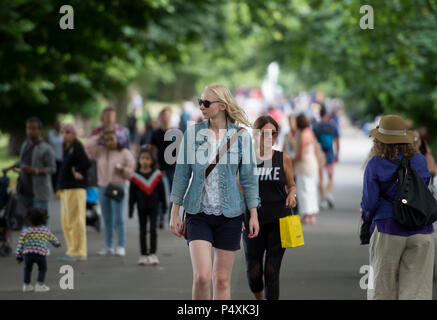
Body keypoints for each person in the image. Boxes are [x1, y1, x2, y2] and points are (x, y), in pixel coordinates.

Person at [169, 83, 260, 300]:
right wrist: (175, 212)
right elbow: (182, 174)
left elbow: (248, 179)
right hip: (197, 212)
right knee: (202, 276)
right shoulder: (192, 134)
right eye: (200, 102)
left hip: (230, 215)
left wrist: (253, 214)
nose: (201, 106)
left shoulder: (242, 137)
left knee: (221, 280)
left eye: (206, 103)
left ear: (221, 106)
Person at [361, 115, 434, 300]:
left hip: (388, 229)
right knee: (417, 291)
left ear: (379, 140)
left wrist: (367, 221)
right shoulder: (419, 160)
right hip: (421, 230)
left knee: (381, 288)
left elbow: (370, 203)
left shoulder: (375, 164)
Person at [243, 116, 297, 300]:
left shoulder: (283, 158)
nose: (268, 137)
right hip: (252, 220)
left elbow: (291, 185)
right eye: (263, 133)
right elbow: (239, 189)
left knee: (272, 271)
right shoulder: (246, 159)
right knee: (254, 272)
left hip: (278, 220)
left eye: (272, 133)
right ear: (255, 134)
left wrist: (292, 195)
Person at [85, 129, 135, 257]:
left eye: (111, 139)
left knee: (118, 218)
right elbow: (87, 146)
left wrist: (122, 169)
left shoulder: (124, 152)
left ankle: (121, 245)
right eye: (106, 140)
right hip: (103, 188)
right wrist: (98, 136)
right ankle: (108, 246)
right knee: (106, 219)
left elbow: (131, 171)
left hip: (118, 187)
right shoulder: (100, 151)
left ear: (118, 138)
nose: (109, 142)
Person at [2, 117, 56, 215]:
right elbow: (21, 161)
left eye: (33, 128)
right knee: (26, 225)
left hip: (39, 193)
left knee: (40, 226)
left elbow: (52, 168)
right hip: (24, 192)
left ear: (39, 130)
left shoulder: (46, 148)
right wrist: (9, 168)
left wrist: (34, 171)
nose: (30, 131)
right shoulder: (25, 145)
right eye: (28, 128)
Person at [57, 124, 91, 262]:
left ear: (74, 133)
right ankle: (72, 249)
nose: (64, 135)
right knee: (67, 221)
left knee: (76, 221)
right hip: (66, 188)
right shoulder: (68, 147)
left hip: (75, 188)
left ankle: (79, 251)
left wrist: (77, 170)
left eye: (67, 132)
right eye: (63, 132)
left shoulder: (77, 146)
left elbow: (87, 162)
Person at [128, 146, 167, 265]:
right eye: (142, 158)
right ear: (139, 160)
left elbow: (162, 193)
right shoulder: (135, 177)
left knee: (153, 230)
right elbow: (131, 195)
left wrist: (164, 207)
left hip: (154, 207)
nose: (145, 161)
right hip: (141, 207)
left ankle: (153, 254)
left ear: (152, 161)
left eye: (147, 158)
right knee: (143, 230)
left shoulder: (157, 175)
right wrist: (130, 209)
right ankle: (143, 254)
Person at [16, 208, 61, 292]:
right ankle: (39, 285)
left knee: (27, 268)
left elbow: (20, 245)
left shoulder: (26, 231)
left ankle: (26, 285)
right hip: (40, 253)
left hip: (28, 254)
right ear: (44, 219)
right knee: (42, 268)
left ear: (29, 220)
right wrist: (57, 244)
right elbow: (53, 239)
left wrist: (19, 257)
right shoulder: (45, 230)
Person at [151, 107, 176, 228]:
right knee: (160, 193)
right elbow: (152, 150)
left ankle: (172, 216)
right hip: (159, 167)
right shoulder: (156, 133)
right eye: (163, 116)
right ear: (160, 117)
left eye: (168, 115)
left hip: (172, 168)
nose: (166, 118)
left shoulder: (176, 133)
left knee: (173, 194)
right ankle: (161, 217)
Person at [293, 114, 319, 225]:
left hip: (304, 165)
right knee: (311, 189)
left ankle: (307, 215)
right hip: (312, 162)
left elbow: (301, 154)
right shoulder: (310, 131)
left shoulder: (302, 134)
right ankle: (312, 214)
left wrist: (291, 161)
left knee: (304, 190)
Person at [313, 106, 340, 209]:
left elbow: (313, 142)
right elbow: (337, 141)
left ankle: (323, 199)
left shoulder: (316, 126)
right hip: (330, 153)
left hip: (320, 154)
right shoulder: (333, 126)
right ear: (326, 115)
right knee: (331, 176)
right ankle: (329, 193)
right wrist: (337, 153)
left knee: (321, 177)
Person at [47, 119, 63, 192]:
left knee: (59, 174)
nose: (58, 127)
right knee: (53, 174)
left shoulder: (62, 133)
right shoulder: (50, 133)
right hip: (52, 157)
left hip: (60, 157)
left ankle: (58, 188)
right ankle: (54, 189)